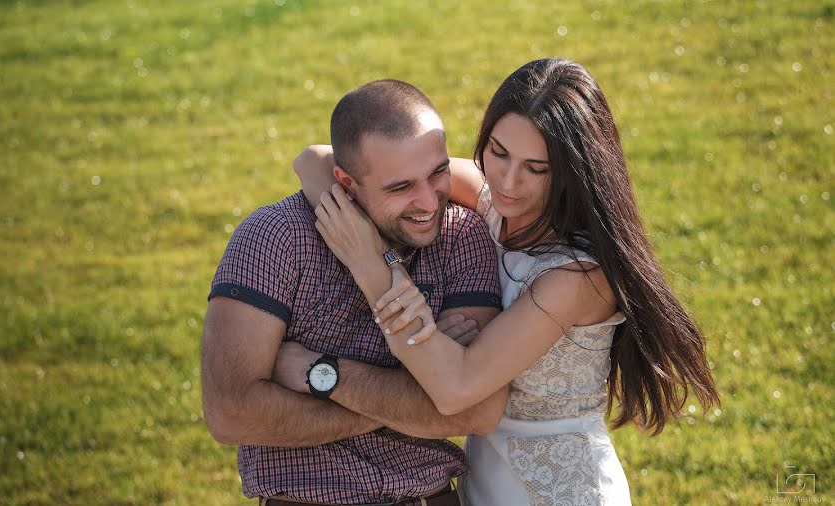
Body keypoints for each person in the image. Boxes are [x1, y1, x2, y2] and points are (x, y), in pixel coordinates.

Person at [289, 58, 720, 505]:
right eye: (498, 152)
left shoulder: (576, 277)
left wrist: (369, 264)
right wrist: (358, 231)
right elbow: (314, 159)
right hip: (482, 480)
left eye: (537, 168)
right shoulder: (491, 202)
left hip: (562, 492)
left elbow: (457, 386)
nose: (509, 182)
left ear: (576, 170)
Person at [201, 79, 508, 506]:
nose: (428, 201)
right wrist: (419, 395)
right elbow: (230, 413)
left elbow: (476, 410)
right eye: (401, 187)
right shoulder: (273, 239)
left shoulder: (462, 237)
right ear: (345, 182)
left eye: (437, 172)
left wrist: (320, 376)